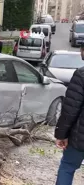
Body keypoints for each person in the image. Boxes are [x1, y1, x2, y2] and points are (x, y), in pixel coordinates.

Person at [54, 43, 84, 185]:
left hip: (80, 138)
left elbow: (71, 109)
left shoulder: (81, 74)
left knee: (67, 167)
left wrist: (61, 135)